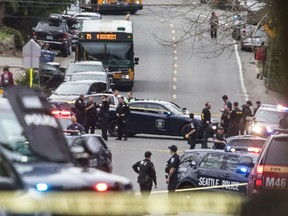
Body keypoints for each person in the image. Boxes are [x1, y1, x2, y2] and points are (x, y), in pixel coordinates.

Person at [165, 145, 180, 215]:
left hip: (173, 178)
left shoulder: (174, 158)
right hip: (174, 177)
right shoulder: (175, 157)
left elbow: (172, 168)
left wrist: (168, 177)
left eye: (170, 149)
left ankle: (172, 211)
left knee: (171, 194)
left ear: (172, 150)